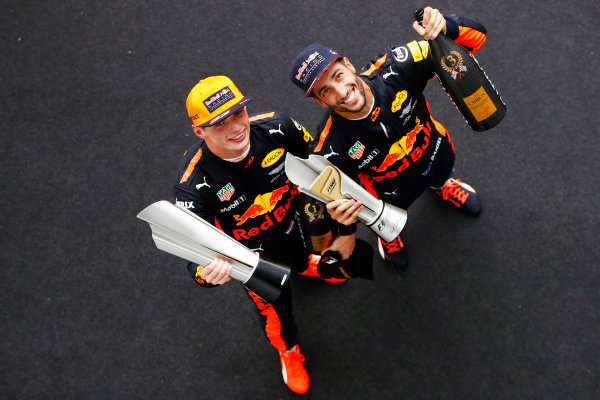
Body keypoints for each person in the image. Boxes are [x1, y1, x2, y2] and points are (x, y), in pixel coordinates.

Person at [173, 75, 366, 394]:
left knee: (304, 251)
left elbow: (319, 163)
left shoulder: (279, 127)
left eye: (238, 112)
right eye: (220, 122)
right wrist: (207, 274)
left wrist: (340, 195)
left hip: (295, 226)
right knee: (276, 310)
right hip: (252, 260)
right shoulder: (192, 185)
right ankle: (288, 352)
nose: (236, 127)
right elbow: (193, 257)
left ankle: (306, 265)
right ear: (199, 131)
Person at [289, 6, 487, 269]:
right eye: (326, 91)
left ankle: (443, 187)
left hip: (437, 152)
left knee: (441, 174)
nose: (342, 92)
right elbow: (342, 197)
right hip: (389, 195)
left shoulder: (398, 64)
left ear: (348, 65)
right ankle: (387, 235)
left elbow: (476, 40)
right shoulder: (329, 146)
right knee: (383, 219)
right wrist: (347, 229)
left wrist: (446, 27)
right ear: (319, 101)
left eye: (338, 76)